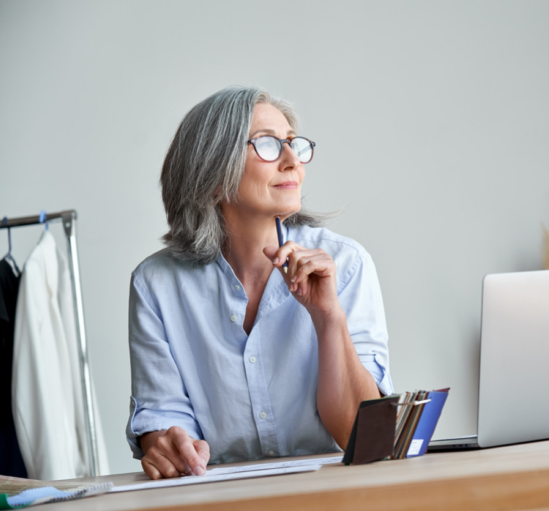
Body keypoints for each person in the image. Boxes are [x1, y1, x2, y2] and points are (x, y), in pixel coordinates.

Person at [126, 86, 393, 480]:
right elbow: (163, 423)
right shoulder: (156, 285)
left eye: (293, 144)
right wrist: (166, 444)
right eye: (267, 145)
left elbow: (362, 435)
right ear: (213, 175)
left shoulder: (346, 265)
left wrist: (328, 316)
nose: (291, 161)